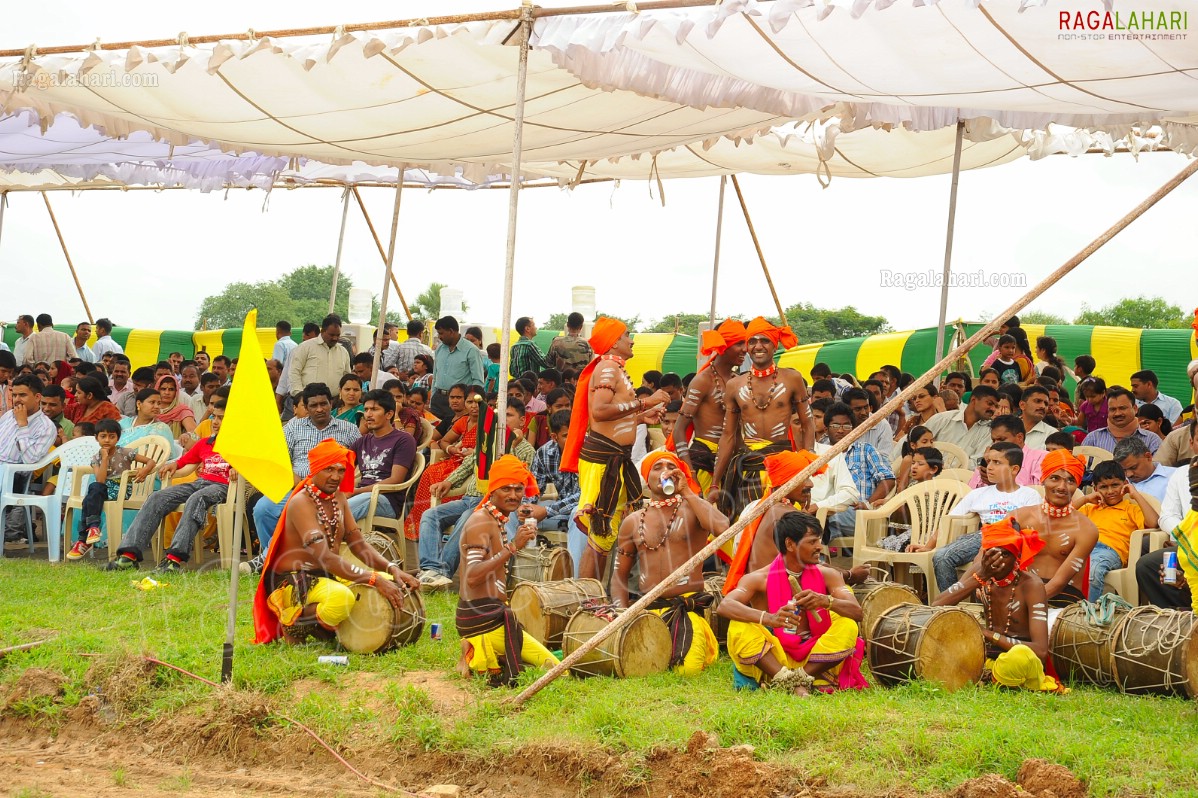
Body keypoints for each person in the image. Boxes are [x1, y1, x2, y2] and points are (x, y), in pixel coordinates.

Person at [252, 440, 420, 645]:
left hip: (327, 576)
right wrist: (373, 578)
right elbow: (325, 556)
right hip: (295, 581)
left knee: (391, 581)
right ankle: (293, 621)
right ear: (314, 470)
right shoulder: (301, 503)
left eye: (341, 470)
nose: (335, 476)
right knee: (341, 599)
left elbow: (358, 545)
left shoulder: (338, 498)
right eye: (329, 469)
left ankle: (326, 628)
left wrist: (392, 568)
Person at [561, 318, 670, 581]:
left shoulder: (614, 369)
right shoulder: (609, 368)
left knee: (604, 534)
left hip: (613, 459)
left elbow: (615, 414)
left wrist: (642, 417)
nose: (631, 340)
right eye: (627, 335)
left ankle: (592, 596)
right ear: (614, 342)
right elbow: (599, 411)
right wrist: (645, 403)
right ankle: (588, 598)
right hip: (603, 460)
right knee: (599, 532)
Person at [718, 512, 867, 695]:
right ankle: (786, 679)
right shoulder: (759, 579)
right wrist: (770, 618)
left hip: (816, 657)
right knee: (739, 626)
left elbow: (857, 613)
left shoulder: (829, 574)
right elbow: (725, 606)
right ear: (789, 544)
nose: (819, 547)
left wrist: (826, 600)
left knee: (848, 625)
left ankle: (799, 679)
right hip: (774, 659)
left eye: (819, 541)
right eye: (812, 542)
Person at [611, 451, 728, 676]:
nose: (665, 471)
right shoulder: (633, 521)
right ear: (647, 478)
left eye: (671, 467)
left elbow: (723, 528)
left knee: (687, 671)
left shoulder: (694, 510)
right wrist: (621, 615)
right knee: (639, 668)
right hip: (650, 611)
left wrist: (687, 492)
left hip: (686, 608)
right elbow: (619, 576)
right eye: (657, 467)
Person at [454, 455, 558, 685]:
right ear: (492, 491)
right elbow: (472, 577)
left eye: (518, 489)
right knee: (557, 668)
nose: (513, 495)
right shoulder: (481, 522)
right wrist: (512, 547)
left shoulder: (496, 519)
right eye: (505, 489)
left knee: (539, 654)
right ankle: (476, 646)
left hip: (491, 614)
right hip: (483, 619)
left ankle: (475, 649)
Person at [933, 518, 1066, 693]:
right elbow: (937, 604)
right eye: (991, 553)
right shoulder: (981, 571)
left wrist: (988, 635)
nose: (997, 561)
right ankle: (991, 675)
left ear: (1017, 557)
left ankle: (985, 676)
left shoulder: (1031, 585)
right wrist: (979, 577)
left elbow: (1040, 651)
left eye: (1005, 554)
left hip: (1019, 658)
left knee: (1021, 658)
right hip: (987, 657)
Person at [104, 402, 239, 570]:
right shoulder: (205, 443)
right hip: (200, 483)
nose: (215, 422)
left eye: (221, 418)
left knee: (197, 499)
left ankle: (174, 559)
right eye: (214, 417)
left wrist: (238, 470)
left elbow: (251, 468)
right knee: (157, 497)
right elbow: (183, 463)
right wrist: (172, 466)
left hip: (223, 487)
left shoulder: (240, 445)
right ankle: (129, 556)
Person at [245, 383, 361, 573]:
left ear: (331, 403)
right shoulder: (293, 428)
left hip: (332, 491)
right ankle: (278, 560)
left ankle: (271, 561)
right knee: (262, 509)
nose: (319, 409)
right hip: (297, 488)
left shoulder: (349, 429)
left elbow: (357, 463)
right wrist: (294, 478)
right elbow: (281, 461)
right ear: (305, 408)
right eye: (313, 405)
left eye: (323, 404)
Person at [709, 317, 814, 520]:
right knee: (746, 525)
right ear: (747, 347)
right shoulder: (735, 385)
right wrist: (715, 482)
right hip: (749, 468)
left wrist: (807, 466)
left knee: (782, 526)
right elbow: (728, 435)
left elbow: (807, 424)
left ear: (775, 345)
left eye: (765, 340)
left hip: (782, 467)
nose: (758, 346)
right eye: (753, 341)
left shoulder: (792, 378)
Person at [928, 442, 1041, 591]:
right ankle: (953, 606)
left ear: (1014, 469)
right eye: (989, 462)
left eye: (997, 462)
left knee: (983, 562)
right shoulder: (978, 493)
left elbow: (1034, 527)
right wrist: (928, 546)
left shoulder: (1029, 495)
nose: (990, 467)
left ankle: (981, 602)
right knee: (941, 557)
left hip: (1013, 540)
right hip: (983, 536)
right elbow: (949, 520)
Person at [724, 450, 826, 590]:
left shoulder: (756, 506)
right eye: (804, 478)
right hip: (777, 595)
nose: (810, 485)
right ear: (786, 482)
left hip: (757, 591)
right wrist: (849, 574)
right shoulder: (787, 514)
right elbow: (811, 563)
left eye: (809, 478)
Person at [1010, 450, 1099, 606]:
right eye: (1054, 478)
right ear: (1043, 480)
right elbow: (987, 553)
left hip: (1064, 595)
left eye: (1070, 481)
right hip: (1022, 589)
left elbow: (1058, 583)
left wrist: (1023, 603)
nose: (1062, 487)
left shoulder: (1086, 529)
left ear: (1077, 485)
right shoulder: (1019, 516)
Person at [65, 419, 156, 560]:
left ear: (118, 438)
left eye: (112, 436)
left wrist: (145, 470)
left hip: (121, 489)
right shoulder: (96, 458)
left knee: (92, 493)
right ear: (96, 438)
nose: (107, 440)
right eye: (103, 436)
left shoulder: (126, 452)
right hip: (103, 490)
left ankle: (86, 536)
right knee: (91, 495)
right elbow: (100, 479)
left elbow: (151, 461)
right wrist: (105, 458)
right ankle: (91, 530)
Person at [674, 319, 747, 494]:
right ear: (723, 346)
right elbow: (678, 431)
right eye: (738, 344)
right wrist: (691, 474)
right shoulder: (703, 380)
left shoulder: (738, 381)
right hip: (703, 466)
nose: (745, 349)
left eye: (745, 343)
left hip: (733, 466)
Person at [1073, 461, 1159, 602]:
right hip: (1083, 548)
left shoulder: (1130, 509)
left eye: (1115, 485)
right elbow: (1062, 516)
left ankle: (1088, 614)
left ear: (1125, 484)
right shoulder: (1089, 508)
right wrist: (1085, 498)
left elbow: (1153, 522)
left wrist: (1135, 494)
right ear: (1095, 488)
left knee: (1092, 572)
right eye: (1103, 487)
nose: (1110, 491)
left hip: (1110, 551)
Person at [406, 385, 479, 541]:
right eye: (470, 401)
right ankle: (422, 524)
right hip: (457, 459)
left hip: (474, 464)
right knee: (430, 472)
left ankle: (444, 521)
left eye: (477, 402)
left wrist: (473, 453)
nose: (474, 406)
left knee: (445, 477)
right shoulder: (463, 421)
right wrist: (452, 449)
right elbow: (444, 440)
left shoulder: (490, 424)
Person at [1136, 421, 1197, 609]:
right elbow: (1166, 516)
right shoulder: (1181, 475)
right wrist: (1183, 537)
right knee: (1147, 566)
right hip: (1186, 543)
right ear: (1191, 442)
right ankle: (1180, 617)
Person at [820, 401, 895, 544]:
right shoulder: (820, 454)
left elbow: (888, 479)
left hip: (857, 513)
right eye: (835, 426)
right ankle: (820, 561)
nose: (841, 430)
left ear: (853, 429)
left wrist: (868, 503)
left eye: (846, 426)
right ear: (826, 429)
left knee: (820, 517)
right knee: (814, 526)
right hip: (829, 513)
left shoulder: (865, 450)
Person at [0, 375, 58, 542]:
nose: (17, 400)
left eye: (22, 395)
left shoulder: (47, 427)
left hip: (14, 477)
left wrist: (23, 425)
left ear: (37, 397)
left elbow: (30, 460)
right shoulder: (8, 416)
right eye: (14, 395)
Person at [346, 390, 416, 522]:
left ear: (389, 414)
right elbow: (343, 469)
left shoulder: (403, 440)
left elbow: (396, 479)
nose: (368, 414)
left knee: (349, 505)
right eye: (366, 410)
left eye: (374, 409)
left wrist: (356, 491)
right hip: (360, 495)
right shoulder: (362, 441)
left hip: (387, 500)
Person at [431, 316, 486, 422]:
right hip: (438, 400)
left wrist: (471, 403)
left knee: (455, 435)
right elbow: (435, 376)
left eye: (441, 333)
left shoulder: (471, 350)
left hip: (459, 402)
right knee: (434, 435)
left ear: (451, 331)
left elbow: (478, 381)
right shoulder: (440, 349)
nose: (439, 337)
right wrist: (433, 398)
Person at [966, 414, 1045, 488]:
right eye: (993, 440)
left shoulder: (1040, 458)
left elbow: (1038, 495)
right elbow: (970, 492)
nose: (996, 444)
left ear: (1019, 437)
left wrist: (999, 484)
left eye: (1001, 439)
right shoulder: (989, 461)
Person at [924, 384, 998, 462]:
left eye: (996, 406)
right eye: (989, 403)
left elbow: (977, 462)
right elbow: (917, 438)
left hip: (963, 474)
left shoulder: (990, 431)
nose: (993, 409)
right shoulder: (942, 419)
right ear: (973, 400)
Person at [287, 315, 351, 399]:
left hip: (335, 402)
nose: (335, 338)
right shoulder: (305, 347)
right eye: (331, 335)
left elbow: (346, 377)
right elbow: (294, 372)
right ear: (322, 331)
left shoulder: (343, 352)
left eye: (338, 335)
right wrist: (300, 396)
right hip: (308, 401)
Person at [1082, 387, 1160, 455]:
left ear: (1135, 409)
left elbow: (1159, 470)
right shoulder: (1093, 438)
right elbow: (1079, 468)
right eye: (1112, 409)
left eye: (1122, 408)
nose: (1117, 413)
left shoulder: (1152, 440)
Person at [1113, 436, 1175, 503]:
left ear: (1148, 457)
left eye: (1133, 467)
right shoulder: (1116, 483)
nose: (1129, 474)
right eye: (1123, 470)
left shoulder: (1176, 476)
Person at [843, 388, 893, 459]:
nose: (863, 412)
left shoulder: (882, 425)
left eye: (866, 407)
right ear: (847, 409)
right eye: (858, 409)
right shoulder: (839, 425)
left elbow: (885, 458)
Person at [154, 375, 197, 444]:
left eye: (171, 389)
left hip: (176, 450)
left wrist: (187, 435)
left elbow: (195, 433)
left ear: (176, 392)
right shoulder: (152, 410)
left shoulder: (182, 411)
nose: (167, 393)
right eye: (163, 389)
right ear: (157, 390)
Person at [1018, 386, 1058, 451]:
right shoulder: (1009, 428)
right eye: (1037, 401)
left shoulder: (1052, 434)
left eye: (1046, 403)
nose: (1043, 406)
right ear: (1022, 405)